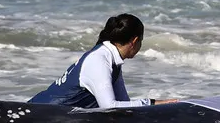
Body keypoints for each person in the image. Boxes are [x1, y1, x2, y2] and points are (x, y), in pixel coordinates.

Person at [29, 14, 177, 109]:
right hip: (37, 115)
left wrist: (156, 106)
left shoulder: (112, 59)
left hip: (51, 116)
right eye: (141, 41)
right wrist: (153, 103)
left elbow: (124, 103)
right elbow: (109, 107)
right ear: (135, 41)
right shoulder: (99, 60)